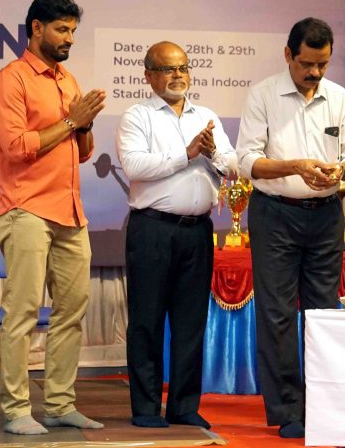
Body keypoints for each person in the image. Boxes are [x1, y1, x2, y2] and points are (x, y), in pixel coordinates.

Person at [236, 17, 345, 439]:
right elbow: (247, 161)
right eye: (307, 63)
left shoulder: (339, 98)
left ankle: (323, 404)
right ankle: (288, 410)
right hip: (275, 214)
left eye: (323, 64)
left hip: (326, 214)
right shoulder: (263, 95)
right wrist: (295, 166)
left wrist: (341, 171)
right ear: (288, 54)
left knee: (323, 311)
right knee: (276, 313)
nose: (314, 72)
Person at [0, 0, 106, 435]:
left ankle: (58, 404)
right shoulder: (10, 79)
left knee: (71, 312)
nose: (69, 38)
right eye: (61, 29)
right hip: (25, 210)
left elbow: (83, 153)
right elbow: (18, 147)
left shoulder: (68, 80)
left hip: (70, 213)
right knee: (21, 313)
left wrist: (85, 124)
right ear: (36, 28)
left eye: (73, 30)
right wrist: (72, 121)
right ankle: (17, 410)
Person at [115, 41, 237, 429]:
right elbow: (135, 166)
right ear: (149, 75)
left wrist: (212, 152)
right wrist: (187, 153)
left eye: (183, 67)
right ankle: (146, 408)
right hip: (152, 229)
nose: (178, 75)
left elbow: (232, 165)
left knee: (190, 322)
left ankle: (184, 406)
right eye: (168, 69)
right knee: (146, 321)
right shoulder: (137, 116)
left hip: (197, 232)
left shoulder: (207, 116)